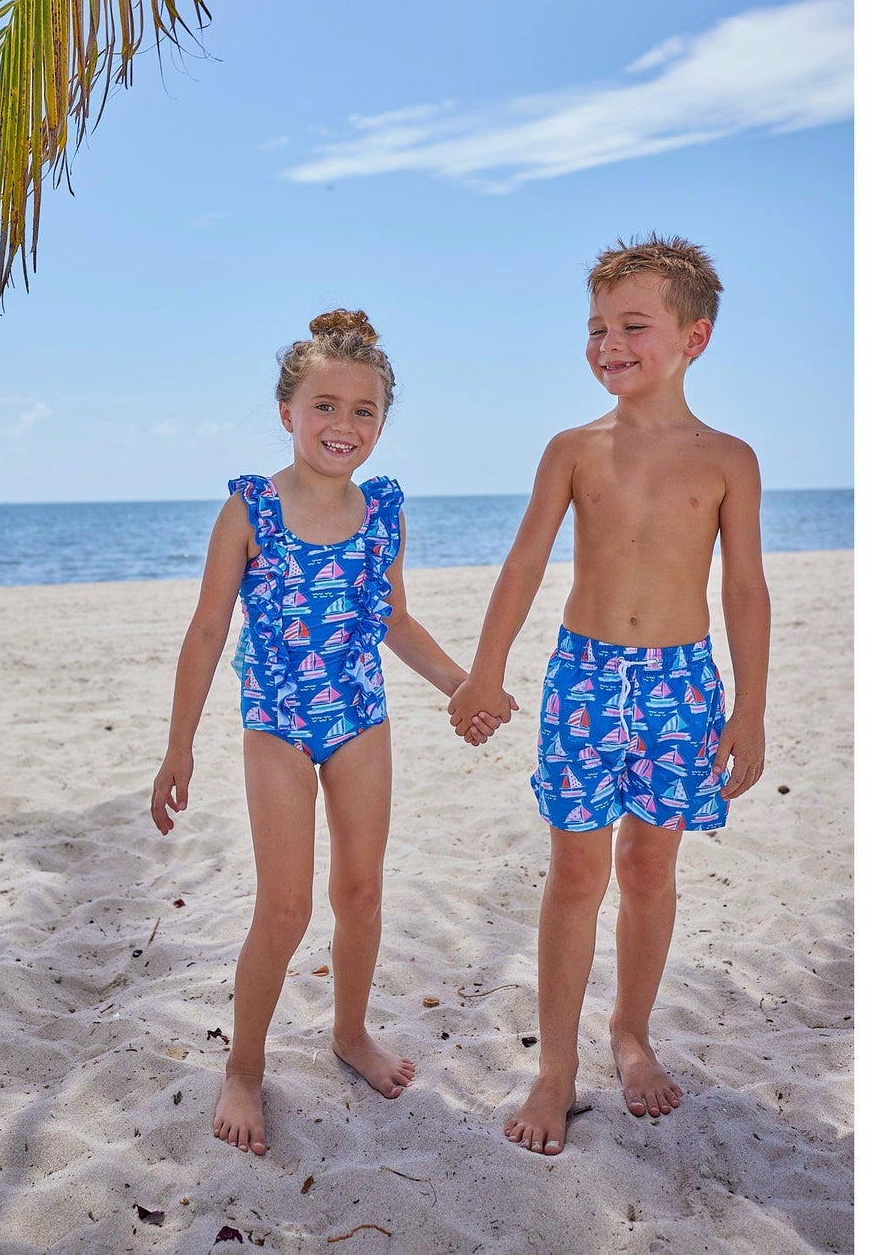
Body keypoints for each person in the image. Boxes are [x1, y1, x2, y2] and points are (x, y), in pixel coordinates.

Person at [150, 308, 509, 1157]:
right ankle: (244, 1066)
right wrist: (178, 746)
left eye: (363, 410)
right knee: (285, 907)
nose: (343, 425)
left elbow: (393, 620)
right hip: (275, 721)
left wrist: (462, 684)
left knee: (361, 895)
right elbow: (207, 630)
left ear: (382, 422)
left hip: (359, 719)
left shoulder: (384, 510)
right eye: (324, 406)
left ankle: (349, 1034)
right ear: (287, 411)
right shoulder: (250, 509)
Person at [447, 235, 771, 1151]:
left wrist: (750, 708)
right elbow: (524, 562)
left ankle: (631, 1034)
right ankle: (555, 1068)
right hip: (583, 679)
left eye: (633, 325)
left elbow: (746, 589)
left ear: (694, 337)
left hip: (681, 685)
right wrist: (485, 668)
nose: (609, 344)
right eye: (597, 328)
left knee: (650, 872)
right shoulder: (573, 449)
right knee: (577, 875)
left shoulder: (728, 459)